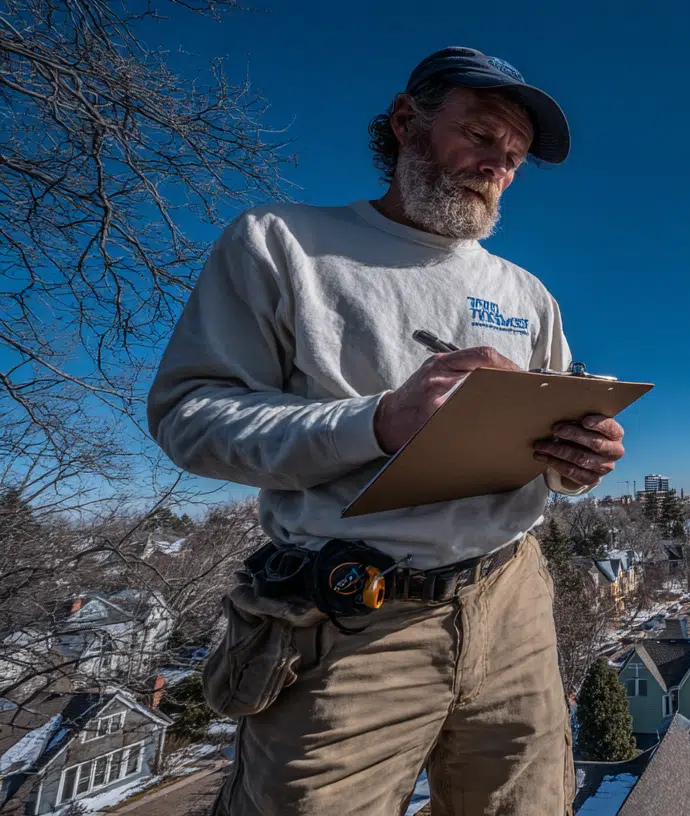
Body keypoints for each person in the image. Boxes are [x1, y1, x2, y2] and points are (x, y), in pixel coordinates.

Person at [147, 47, 620, 816]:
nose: (497, 164)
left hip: (513, 601)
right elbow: (188, 418)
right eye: (482, 135)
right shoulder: (281, 244)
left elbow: (551, 448)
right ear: (407, 122)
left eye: (515, 156)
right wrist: (378, 420)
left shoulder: (528, 294)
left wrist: (579, 460)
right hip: (347, 620)